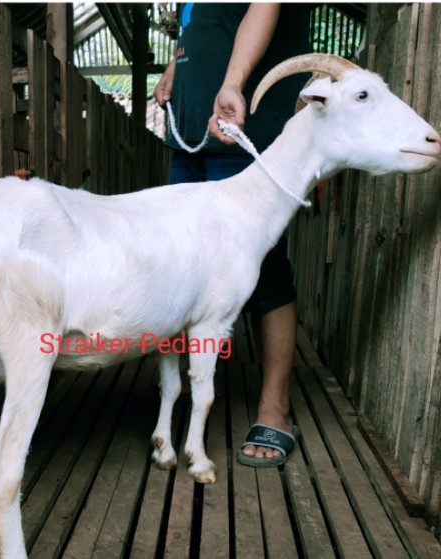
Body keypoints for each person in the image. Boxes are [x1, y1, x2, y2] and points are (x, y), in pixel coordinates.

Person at [154, 3, 311, 467]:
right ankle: (185, 392)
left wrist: (234, 82)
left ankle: (275, 408)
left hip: (243, 120)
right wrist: (175, 70)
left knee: (261, 265)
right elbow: (200, 22)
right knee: (181, 263)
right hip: (193, 128)